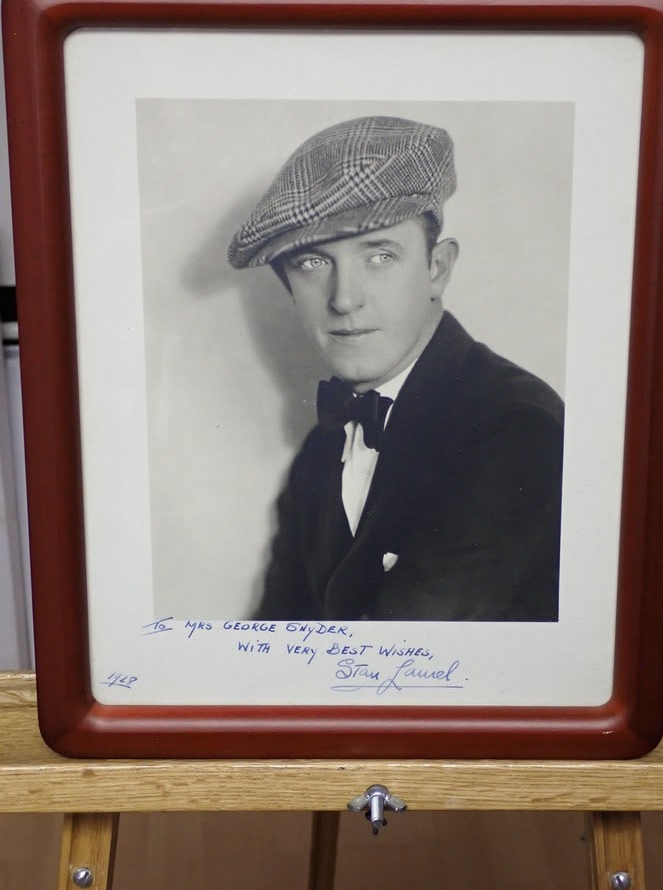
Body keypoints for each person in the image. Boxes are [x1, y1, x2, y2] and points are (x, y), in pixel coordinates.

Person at [228, 115, 563, 621]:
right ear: (288, 287)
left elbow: (416, 657)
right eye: (313, 263)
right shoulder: (319, 451)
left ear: (437, 269)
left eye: (379, 256)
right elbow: (273, 636)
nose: (344, 299)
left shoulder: (515, 427)